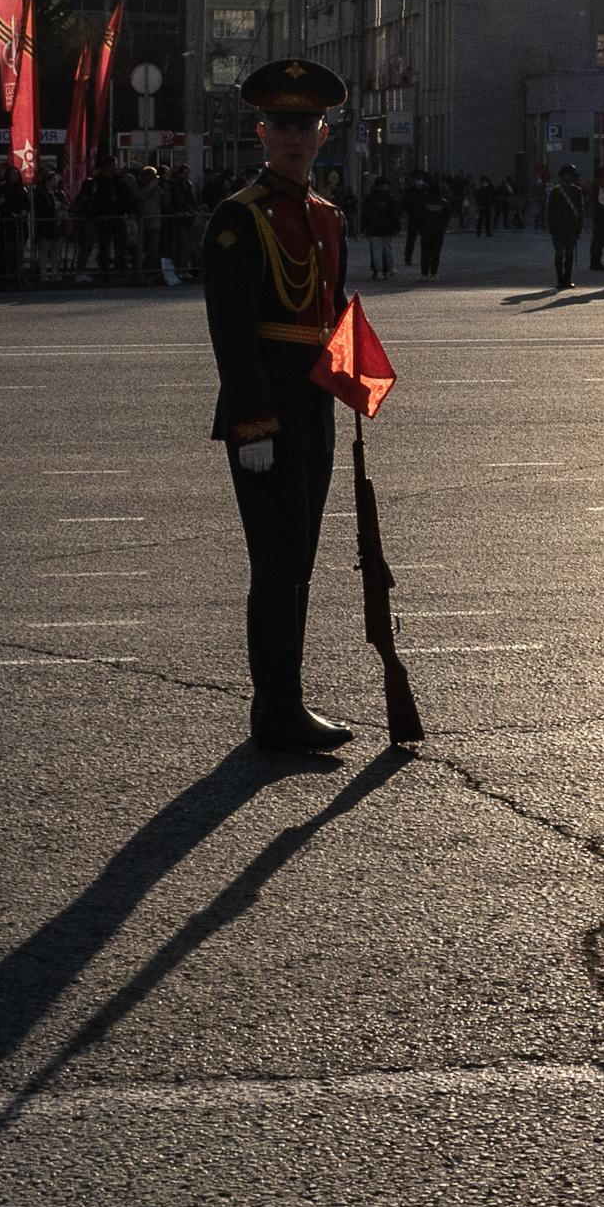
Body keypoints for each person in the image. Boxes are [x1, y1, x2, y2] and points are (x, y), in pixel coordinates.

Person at [202, 57, 356, 752]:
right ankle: (275, 707)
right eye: (282, 126)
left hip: (314, 408)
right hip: (264, 414)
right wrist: (255, 421)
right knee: (275, 562)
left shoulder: (327, 217)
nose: (294, 138)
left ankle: (286, 701)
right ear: (262, 133)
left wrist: (353, 378)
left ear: (323, 134)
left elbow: (332, 316)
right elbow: (232, 334)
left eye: (307, 126)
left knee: (300, 561)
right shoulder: (240, 219)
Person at [545, 164, 587, 289]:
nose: (568, 177)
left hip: (569, 228)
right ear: (563, 176)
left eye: (570, 175)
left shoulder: (576, 191)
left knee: (569, 254)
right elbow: (550, 211)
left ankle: (566, 280)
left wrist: (579, 228)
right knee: (559, 254)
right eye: (567, 174)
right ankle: (560, 279)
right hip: (561, 227)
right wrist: (551, 226)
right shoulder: (556, 191)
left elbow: (580, 211)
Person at [361, 175, 402, 279]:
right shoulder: (389, 198)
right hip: (387, 228)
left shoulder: (370, 198)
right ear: (383, 186)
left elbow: (365, 214)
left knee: (376, 250)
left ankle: (378, 271)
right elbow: (394, 214)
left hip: (374, 228)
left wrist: (364, 227)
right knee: (388, 248)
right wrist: (397, 227)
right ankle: (390, 269)